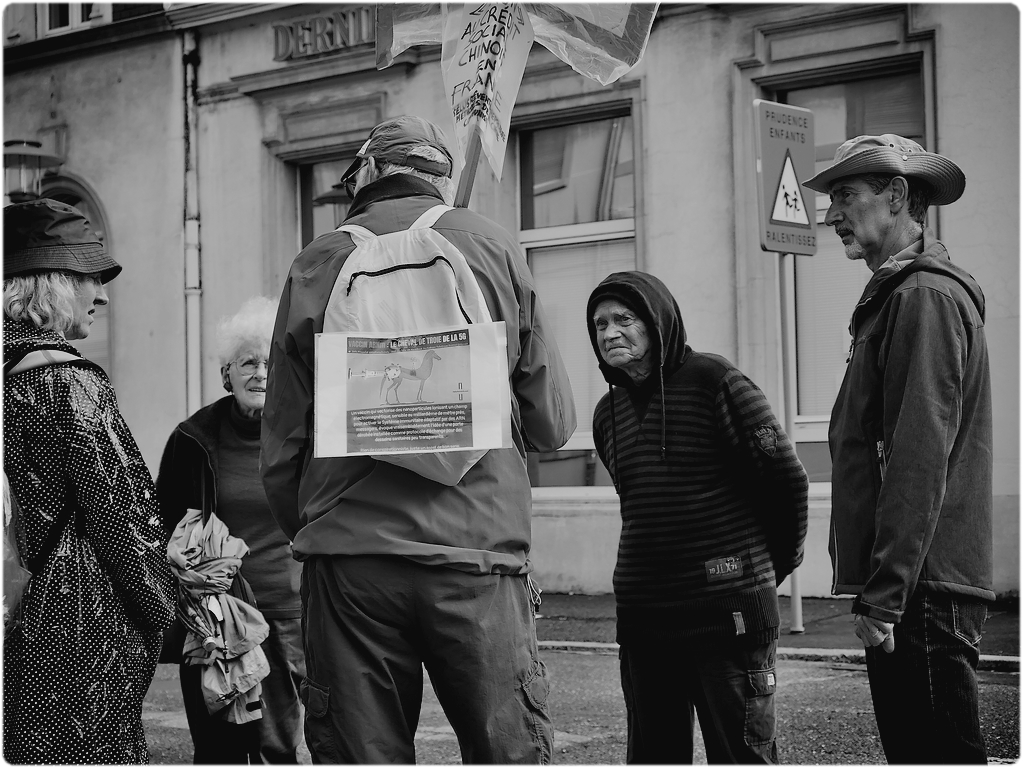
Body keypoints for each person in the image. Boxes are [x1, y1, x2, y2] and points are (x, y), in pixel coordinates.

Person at [260, 114, 576, 764]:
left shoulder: (318, 263)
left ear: (368, 172)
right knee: (506, 752)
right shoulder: (490, 246)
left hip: (351, 563)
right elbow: (551, 420)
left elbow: (283, 441)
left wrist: (313, 530)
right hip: (476, 554)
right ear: (441, 177)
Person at [803, 134, 993, 763]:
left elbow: (918, 453)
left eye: (846, 195)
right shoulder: (901, 295)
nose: (832, 215)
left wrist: (886, 594)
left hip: (920, 590)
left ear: (897, 196)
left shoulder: (920, 297)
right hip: (920, 584)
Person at [585, 270, 808, 764]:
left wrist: (765, 572)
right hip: (645, 623)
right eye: (599, 324)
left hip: (727, 617)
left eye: (624, 319)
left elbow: (785, 481)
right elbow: (638, 504)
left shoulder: (715, 381)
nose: (609, 333)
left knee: (742, 756)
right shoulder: (608, 413)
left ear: (658, 322)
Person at [2, 198, 175, 764]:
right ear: (49, 284)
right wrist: (166, 611)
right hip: (72, 631)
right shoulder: (68, 382)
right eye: (87, 278)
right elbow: (124, 523)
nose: (102, 294)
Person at [156, 296, 305, 764]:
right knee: (217, 743)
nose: (260, 373)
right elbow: (161, 523)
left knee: (279, 743)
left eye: (269, 362)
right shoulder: (192, 439)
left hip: (286, 611)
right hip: (212, 616)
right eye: (247, 362)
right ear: (227, 375)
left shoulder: (305, 435)